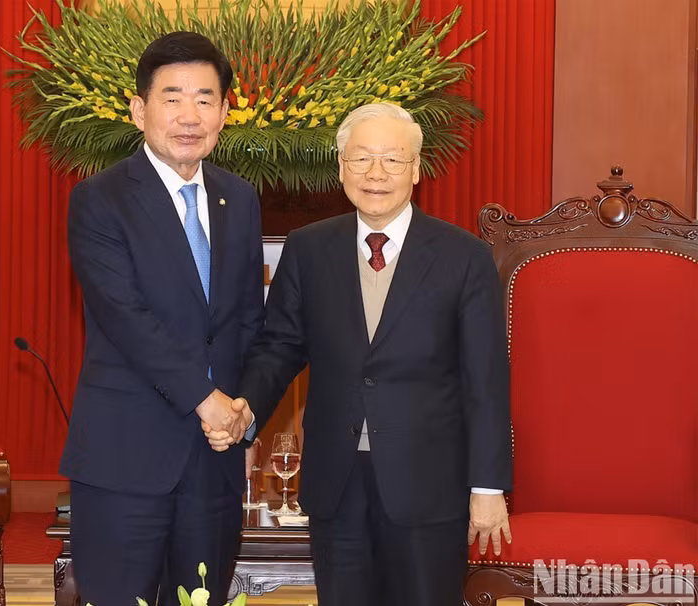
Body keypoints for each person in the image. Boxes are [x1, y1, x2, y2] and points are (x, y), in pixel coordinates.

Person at [205, 102, 513, 605]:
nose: (376, 173)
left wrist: (488, 486)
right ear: (341, 166)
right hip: (337, 480)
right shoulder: (308, 249)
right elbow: (279, 346)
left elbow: (487, 382)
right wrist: (247, 409)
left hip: (429, 484)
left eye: (392, 160)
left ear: (415, 169)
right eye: (361, 158)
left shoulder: (464, 257)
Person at [61, 31, 264, 606]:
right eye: (172, 97)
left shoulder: (240, 198)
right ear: (139, 109)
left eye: (205, 98)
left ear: (226, 111)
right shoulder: (100, 199)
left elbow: (250, 319)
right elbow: (126, 318)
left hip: (215, 461)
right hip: (126, 458)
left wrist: (243, 407)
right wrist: (208, 401)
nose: (189, 115)